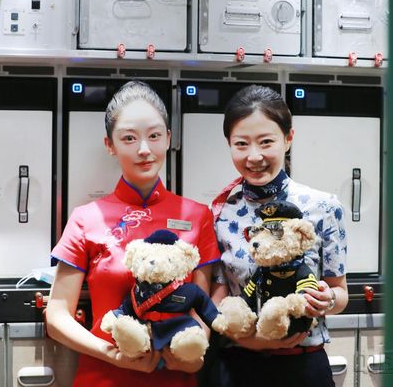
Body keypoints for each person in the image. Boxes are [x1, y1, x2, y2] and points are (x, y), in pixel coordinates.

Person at [46, 81, 220, 387]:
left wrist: (195, 353)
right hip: (103, 376)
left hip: (175, 378)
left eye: (154, 136)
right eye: (129, 138)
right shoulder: (86, 218)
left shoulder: (197, 216)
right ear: (110, 145)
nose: (144, 150)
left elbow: (200, 307)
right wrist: (111, 354)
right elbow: (56, 316)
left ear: (168, 138)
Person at [208, 85, 348, 387]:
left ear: (288, 138)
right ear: (229, 144)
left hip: (304, 367)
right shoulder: (220, 212)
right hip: (239, 366)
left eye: (266, 142)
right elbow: (218, 296)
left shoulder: (323, 207)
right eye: (241, 144)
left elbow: (340, 293)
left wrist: (326, 299)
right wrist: (250, 339)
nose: (254, 156)